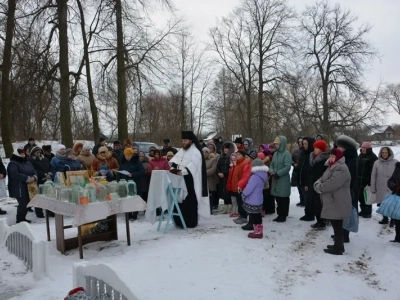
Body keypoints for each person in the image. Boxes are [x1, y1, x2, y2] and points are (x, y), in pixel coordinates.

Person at [314, 148, 352, 255]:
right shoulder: (332, 167)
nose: (331, 158)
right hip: (333, 200)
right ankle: (339, 245)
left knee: (337, 224)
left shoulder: (341, 169)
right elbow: (321, 179)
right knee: (336, 224)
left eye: (333, 156)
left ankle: (338, 248)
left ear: (338, 157)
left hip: (338, 200)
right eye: (330, 156)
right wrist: (318, 184)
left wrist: (319, 187)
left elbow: (331, 184)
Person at [169, 131, 210, 228]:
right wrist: (172, 168)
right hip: (179, 179)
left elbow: (194, 166)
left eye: (185, 140)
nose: (183, 142)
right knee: (180, 200)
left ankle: (190, 222)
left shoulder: (196, 152)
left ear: (191, 141)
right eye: (182, 140)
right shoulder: (181, 151)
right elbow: (174, 161)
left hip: (190, 180)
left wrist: (182, 172)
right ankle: (179, 221)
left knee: (189, 201)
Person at [335, 135, 359, 243]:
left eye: (340, 146)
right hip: (341, 189)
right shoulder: (342, 158)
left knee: (346, 213)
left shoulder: (351, 160)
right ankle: (340, 233)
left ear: (346, 147)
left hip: (348, 190)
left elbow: (351, 178)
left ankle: (345, 235)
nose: (337, 148)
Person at [8, 148, 38, 223]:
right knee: (23, 203)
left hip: (29, 186)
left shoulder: (27, 162)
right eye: (20, 153)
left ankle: (23, 217)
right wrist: (27, 178)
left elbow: (34, 170)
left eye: (23, 153)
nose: (22, 155)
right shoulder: (12, 163)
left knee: (27, 203)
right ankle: (20, 219)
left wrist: (34, 177)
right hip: (18, 187)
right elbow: (14, 174)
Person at [370, 147, 398, 225]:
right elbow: (373, 175)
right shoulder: (376, 163)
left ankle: (393, 220)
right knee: (383, 204)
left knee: (392, 204)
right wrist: (373, 187)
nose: (384, 154)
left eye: (386, 152)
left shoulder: (395, 162)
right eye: (383, 153)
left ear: (389, 153)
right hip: (380, 187)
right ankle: (385, 218)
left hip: (392, 187)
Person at [242, 158, 269, 239]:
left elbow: (249, 188)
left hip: (253, 199)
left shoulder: (255, 176)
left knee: (255, 216)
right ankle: (258, 230)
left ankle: (258, 232)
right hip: (258, 198)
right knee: (257, 215)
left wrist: (244, 194)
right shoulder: (262, 175)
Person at [307, 140, 329, 230]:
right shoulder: (312, 157)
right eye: (315, 147)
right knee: (314, 203)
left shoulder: (324, 160)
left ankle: (322, 221)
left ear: (321, 149)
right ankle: (318, 220)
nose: (315, 149)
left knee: (319, 203)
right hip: (312, 183)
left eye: (317, 148)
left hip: (320, 184)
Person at [269, 136, 292, 223]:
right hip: (275, 179)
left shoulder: (287, 154)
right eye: (275, 143)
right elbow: (272, 165)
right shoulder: (275, 153)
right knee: (278, 197)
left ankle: (283, 215)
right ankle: (279, 214)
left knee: (283, 198)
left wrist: (278, 173)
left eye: (277, 143)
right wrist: (271, 171)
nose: (276, 145)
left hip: (283, 179)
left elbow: (287, 167)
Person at [118, 147, 145, 220]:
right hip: (125, 182)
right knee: (127, 199)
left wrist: (132, 174)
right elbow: (120, 172)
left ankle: (135, 214)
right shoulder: (123, 162)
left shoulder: (137, 162)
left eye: (129, 156)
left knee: (134, 198)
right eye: (126, 156)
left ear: (132, 155)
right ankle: (128, 214)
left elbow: (142, 171)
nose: (127, 157)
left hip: (135, 183)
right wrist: (119, 181)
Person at [29, 146, 53, 218]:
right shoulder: (31, 161)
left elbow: (50, 166)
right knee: (38, 197)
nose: (38, 154)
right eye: (36, 152)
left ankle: (50, 211)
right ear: (33, 153)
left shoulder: (44, 159)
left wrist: (50, 173)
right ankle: (39, 213)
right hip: (38, 180)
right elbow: (34, 170)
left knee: (49, 196)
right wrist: (44, 174)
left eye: (39, 152)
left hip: (47, 180)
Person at [296, 137, 316, 221]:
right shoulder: (303, 153)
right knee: (305, 197)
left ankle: (310, 215)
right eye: (303, 144)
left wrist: (308, 183)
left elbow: (311, 170)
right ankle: (307, 213)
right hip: (302, 179)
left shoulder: (312, 154)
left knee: (309, 199)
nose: (303, 145)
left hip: (309, 181)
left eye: (305, 144)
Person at [357, 142, 378, 218]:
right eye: (362, 148)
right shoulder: (360, 156)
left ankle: (368, 212)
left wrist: (369, 181)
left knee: (367, 197)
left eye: (365, 148)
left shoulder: (372, 157)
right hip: (359, 180)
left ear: (368, 149)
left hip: (367, 181)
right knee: (360, 196)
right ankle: (363, 210)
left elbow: (373, 171)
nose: (363, 149)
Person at [226, 150, 247, 223]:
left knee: (241, 202)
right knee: (238, 201)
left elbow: (243, 177)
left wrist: (241, 186)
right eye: (236, 154)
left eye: (239, 154)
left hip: (241, 187)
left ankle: (244, 216)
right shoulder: (237, 164)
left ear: (243, 156)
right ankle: (241, 215)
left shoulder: (243, 164)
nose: (237, 155)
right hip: (236, 187)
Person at [217, 142, 237, 213]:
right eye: (224, 148)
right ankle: (225, 206)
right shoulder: (221, 156)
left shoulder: (232, 157)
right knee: (223, 191)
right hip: (221, 177)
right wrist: (218, 172)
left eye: (227, 148)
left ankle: (230, 207)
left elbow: (231, 167)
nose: (225, 150)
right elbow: (218, 166)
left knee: (228, 191)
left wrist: (224, 173)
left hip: (228, 176)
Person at [387, 162, 400, 243]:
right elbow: (390, 181)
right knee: (398, 219)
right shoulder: (398, 167)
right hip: (398, 196)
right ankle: (398, 238)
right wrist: (395, 186)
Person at [203, 148, 218, 214]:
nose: (204, 153)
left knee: (210, 196)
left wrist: (203, 173)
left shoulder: (213, 160)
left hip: (210, 181)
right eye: (203, 152)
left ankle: (210, 209)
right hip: (202, 181)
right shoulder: (200, 161)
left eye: (206, 152)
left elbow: (213, 170)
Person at [291, 137, 304, 207]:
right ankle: (301, 200)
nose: (300, 143)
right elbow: (291, 159)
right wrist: (294, 164)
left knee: (303, 186)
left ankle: (304, 200)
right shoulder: (296, 152)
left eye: (301, 142)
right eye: (299, 142)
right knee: (298, 186)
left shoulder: (307, 151)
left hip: (304, 171)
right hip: (296, 171)